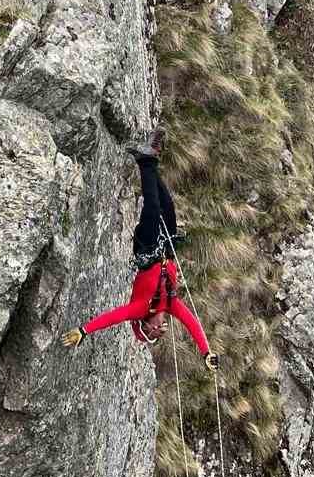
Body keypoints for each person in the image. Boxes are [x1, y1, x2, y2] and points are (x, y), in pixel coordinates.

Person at [62, 135, 219, 370]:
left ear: (144, 324)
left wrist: (84, 331)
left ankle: (145, 160)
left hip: (146, 249)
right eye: (157, 333)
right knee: (167, 205)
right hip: (165, 249)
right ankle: (150, 160)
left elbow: (113, 317)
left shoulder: (139, 309)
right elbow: (192, 323)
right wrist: (206, 352)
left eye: (151, 332)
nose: (158, 329)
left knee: (153, 209)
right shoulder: (171, 305)